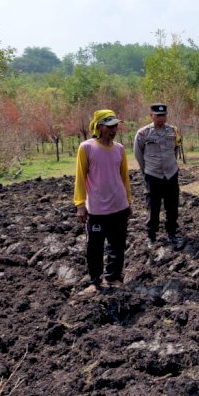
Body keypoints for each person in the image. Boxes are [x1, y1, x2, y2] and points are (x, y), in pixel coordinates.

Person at [73, 110, 133, 293]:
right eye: (109, 126)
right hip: (97, 209)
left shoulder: (120, 149)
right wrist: (80, 204)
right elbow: (80, 178)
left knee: (117, 245)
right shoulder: (86, 148)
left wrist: (129, 202)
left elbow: (124, 178)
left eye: (115, 126)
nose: (114, 130)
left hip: (119, 205)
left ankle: (113, 277)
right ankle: (95, 281)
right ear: (99, 127)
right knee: (94, 246)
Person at [134, 103, 184, 249]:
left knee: (172, 206)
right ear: (151, 116)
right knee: (153, 207)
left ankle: (172, 233)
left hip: (171, 174)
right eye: (158, 115)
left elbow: (175, 149)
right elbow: (138, 153)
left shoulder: (173, 131)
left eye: (164, 115)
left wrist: (171, 165)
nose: (162, 118)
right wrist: (146, 170)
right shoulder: (143, 133)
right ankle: (151, 236)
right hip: (152, 175)